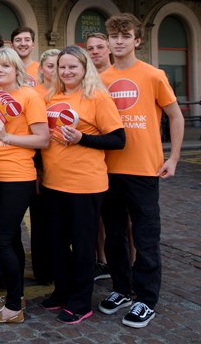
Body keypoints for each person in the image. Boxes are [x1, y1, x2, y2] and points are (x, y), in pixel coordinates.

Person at [98, 13, 184, 329]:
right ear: (108, 41)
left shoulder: (153, 75)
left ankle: (146, 299)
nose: (118, 41)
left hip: (144, 169)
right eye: (114, 36)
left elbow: (175, 116)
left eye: (125, 36)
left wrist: (173, 157)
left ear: (137, 40)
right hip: (108, 169)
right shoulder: (101, 79)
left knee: (146, 236)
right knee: (115, 236)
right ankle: (122, 288)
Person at [40, 46, 125, 324]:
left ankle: (80, 302)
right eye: (61, 67)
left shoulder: (97, 97)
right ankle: (62, 292)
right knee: (57, 243)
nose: (66, 72)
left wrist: (82, 139)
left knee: (83, 246)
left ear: (84, 68)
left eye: (72, 67)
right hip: (54, 183)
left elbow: (118, 140)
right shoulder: (52, 96)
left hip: (86, 184)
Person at [0, 47, 49, 324]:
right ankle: (15, 295)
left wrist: (7, 136)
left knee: (4, 239)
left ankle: (12, 308)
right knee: (10, 239)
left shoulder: (30, 96)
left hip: (18, 177)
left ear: (17, 69)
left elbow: (42, 139)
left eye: (6, 66)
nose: (0, 70)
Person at [29, 48, 60, 285]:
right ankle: (44, 271)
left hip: (67, 169)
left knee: (62, 224)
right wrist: (37, 170)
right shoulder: (35, 95)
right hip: (41, 166)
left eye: (59, 65)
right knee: (40, 223)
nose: (56, 70)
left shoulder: (71, 92)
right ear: (41, 69)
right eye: (50, 65)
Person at [85, 33, 114, 279]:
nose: (95, 52)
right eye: (90, 48)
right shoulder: (85, 84)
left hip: (124, 161)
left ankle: (131, 267)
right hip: (95, 165)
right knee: (97, 221)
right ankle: (101, 260)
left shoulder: (106, 87)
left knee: (123, 221)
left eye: (99, 47)